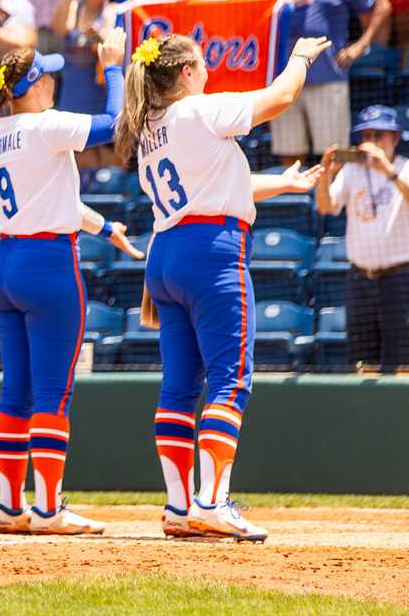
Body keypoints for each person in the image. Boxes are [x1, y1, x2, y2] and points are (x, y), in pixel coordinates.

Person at [114, 31, 331, 541]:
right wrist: (299, 57)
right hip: (211, 251)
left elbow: (218, 184)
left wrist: (284, 181)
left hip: (166, 256)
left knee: (180, 386)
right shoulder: (198, 110)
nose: (208, 69)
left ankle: (179, 505)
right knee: (231, 380)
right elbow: (280, 98)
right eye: (203, 63)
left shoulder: (151, 125)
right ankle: (211, 503)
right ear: (185, 73)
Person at [0, 26, 127, 536]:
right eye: (48, 79)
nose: (54, 86)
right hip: (47, 265)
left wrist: (105, 227)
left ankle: (9, 505)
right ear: (35, 86)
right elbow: (114, 123)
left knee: (16, 391)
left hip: (5, 264)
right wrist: (113, 66)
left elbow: (51, 197)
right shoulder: (45, 124)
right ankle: (47, 509)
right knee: (52, 394)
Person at [256, 0, 392, 164]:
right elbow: (256, 18)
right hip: (285, 79)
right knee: (290, 157)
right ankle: (297, 204)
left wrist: (360, 46)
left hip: (328, 74)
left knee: (335, 156)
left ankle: (331, 204)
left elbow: (381, 5)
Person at [316, 107, 409, 372]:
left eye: (378, 134)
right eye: (365, 135)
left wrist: (387, 170)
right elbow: (327, 207)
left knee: (408, 362)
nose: (371, 141)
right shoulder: (352, 172)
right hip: (360, 280)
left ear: (395, 138)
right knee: (362, 361)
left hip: (400, 279)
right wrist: (325, 176)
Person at [51, 0, 121, 171]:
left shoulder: (115, 10)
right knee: (75, 167)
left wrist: (98, 36)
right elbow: (60, 28)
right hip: (73, 102)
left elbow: (109, 37)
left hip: (101, 102)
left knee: (110, 166)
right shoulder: (74, 7)